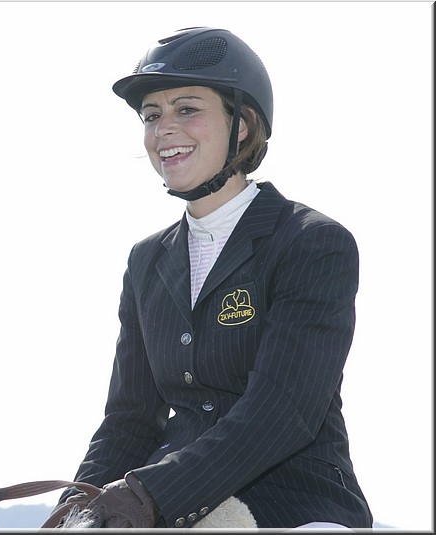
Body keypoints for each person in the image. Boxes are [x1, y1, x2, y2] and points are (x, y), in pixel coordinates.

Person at [57, 27, 374, 529]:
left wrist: (149, 493)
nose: (163, 130)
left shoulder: (312, 243)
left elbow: (283, 409)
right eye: (152, 116)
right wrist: (72, 511)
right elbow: (128, 421)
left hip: (294, 503)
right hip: (174, 507)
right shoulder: (145, 261)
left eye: (187, 110)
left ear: (241, 126)